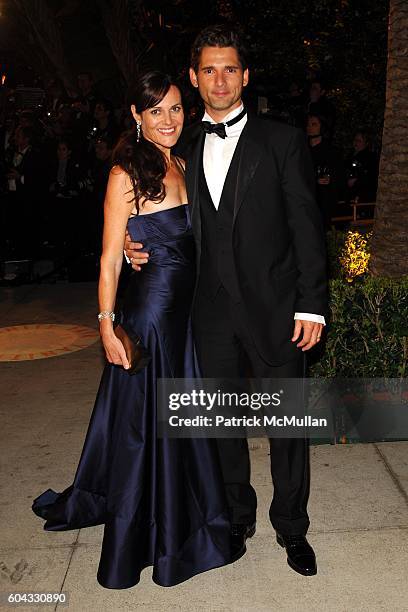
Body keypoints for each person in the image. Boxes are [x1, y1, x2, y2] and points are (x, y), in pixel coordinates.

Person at [126, 24, 328, 577]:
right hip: (207, 314)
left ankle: (292, 527)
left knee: (288, 427)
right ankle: (236, 517)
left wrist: (311, 304)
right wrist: (130, 247)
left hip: (277, 308)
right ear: (194, 78)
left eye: (230, 69)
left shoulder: (281, 140)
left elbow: (308, 229)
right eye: (209, 70)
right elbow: (151, 215)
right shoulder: (180, 145)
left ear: (245, 75)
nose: (220, 80)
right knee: (222, 425)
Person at [32, 71, 234, 589]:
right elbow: (108, 259)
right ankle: (149, 531)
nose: (168, 120)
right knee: (145, 429)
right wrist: (106, 326)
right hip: (150, 319)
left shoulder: (182, 162)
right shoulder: (126, 173)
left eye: (174, 109)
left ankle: (187, 515)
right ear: (136, 117)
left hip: (185, 319)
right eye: (156, 111)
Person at [306, 113, 345, 229]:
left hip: (323, 202)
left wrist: (330, 178)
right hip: (305, 201)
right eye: (308, 124)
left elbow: (340, 175)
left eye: (314, 124)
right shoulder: (302, 150)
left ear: (322, 127)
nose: (309, 127)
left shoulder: (332, 151)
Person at [345, 129, 378, 203]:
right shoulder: (350, 156)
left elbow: (371, 177)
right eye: (355, 140)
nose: (356, 143)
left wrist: (356, 180)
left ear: (366, 143)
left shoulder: (370, 157)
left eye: (359, 141)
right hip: (349, 194)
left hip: (362, 196)